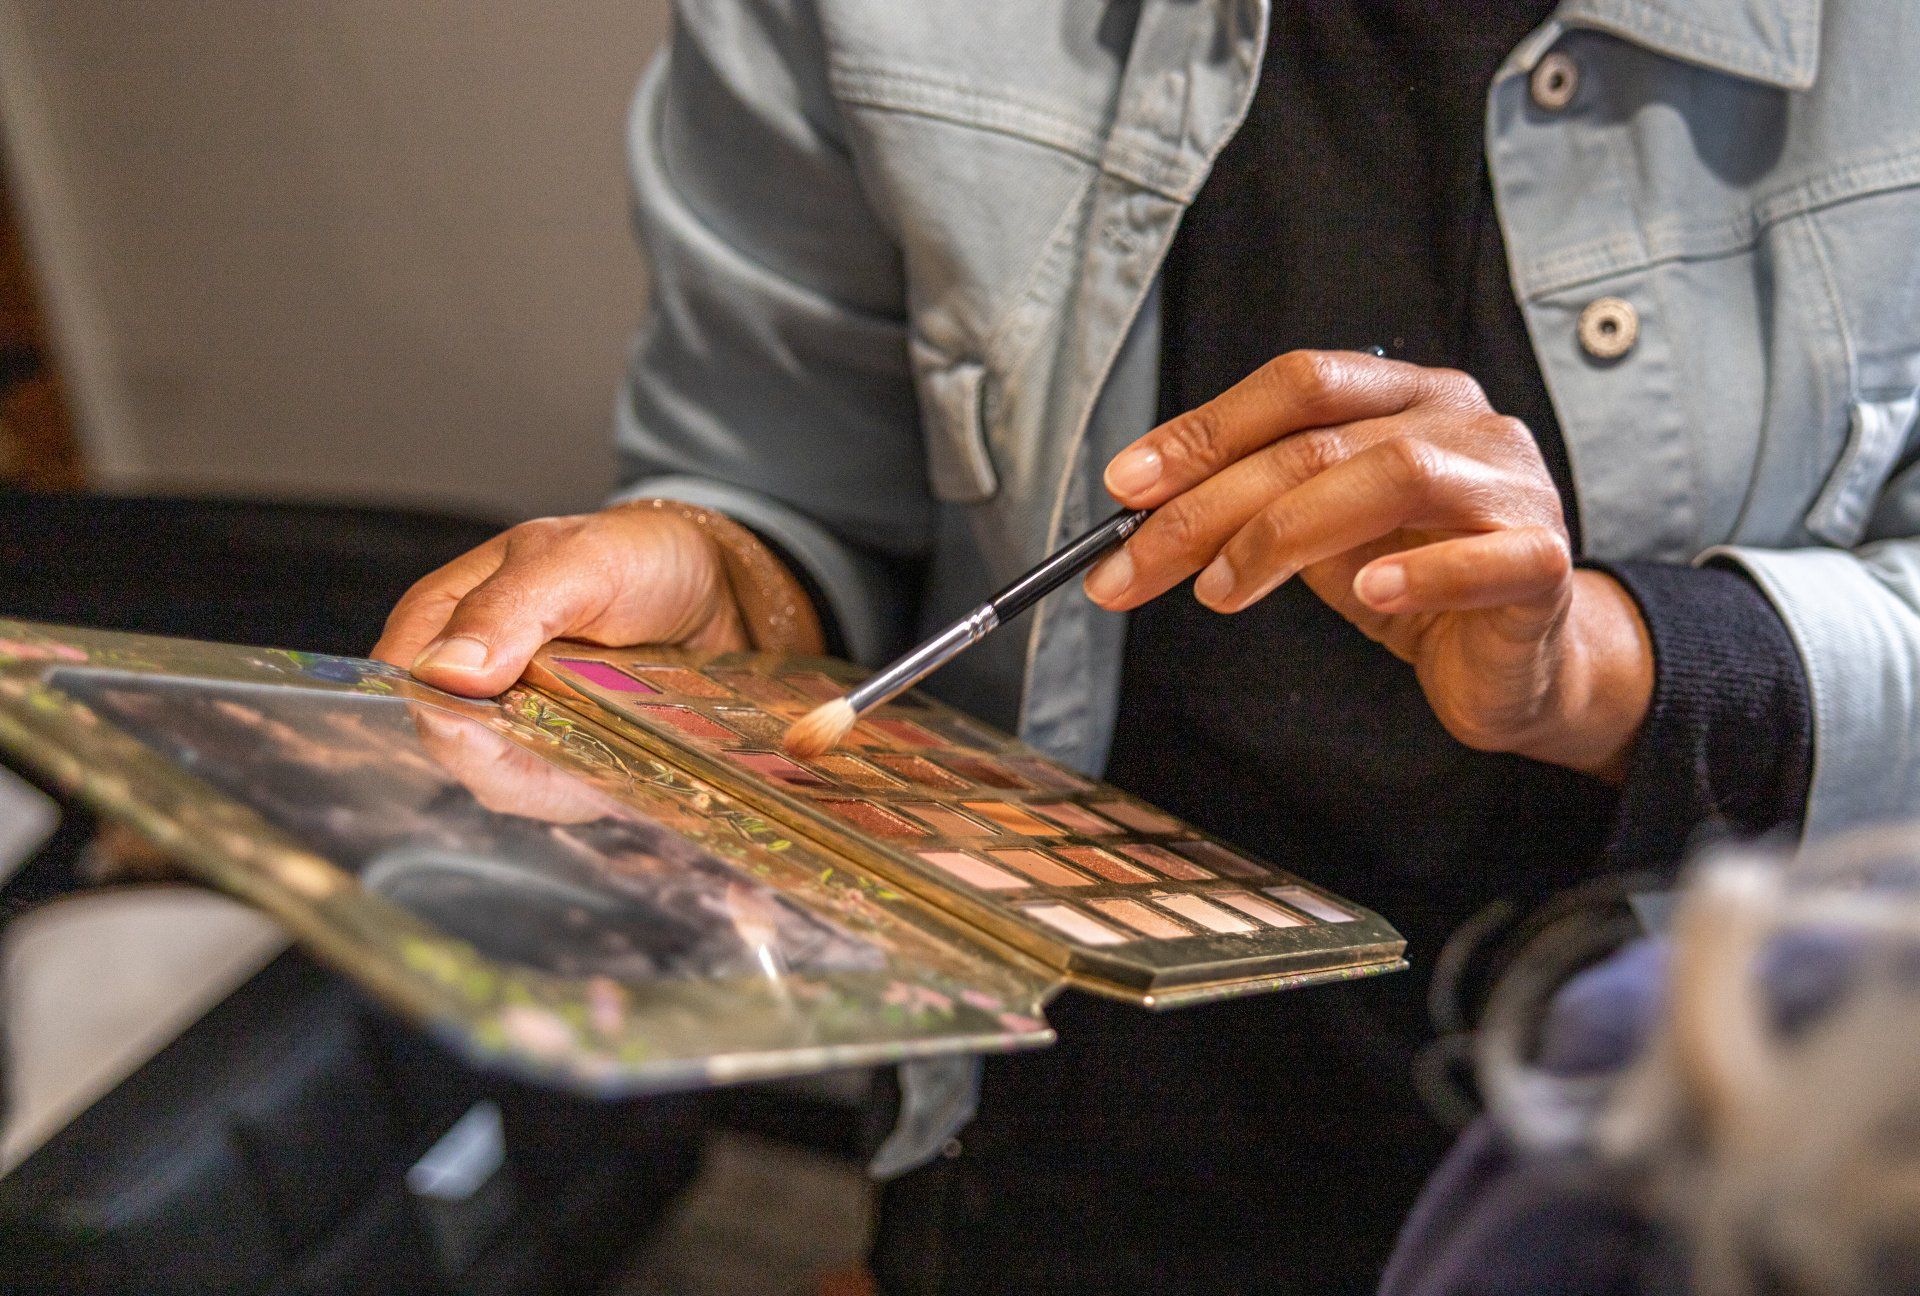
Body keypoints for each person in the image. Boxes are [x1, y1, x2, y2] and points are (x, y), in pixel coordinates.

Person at [374, 2, 1920, 1292]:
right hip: (1062, 1145)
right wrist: (732, 576)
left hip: (1731, 1191)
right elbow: (791, 471)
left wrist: (1610, 660)